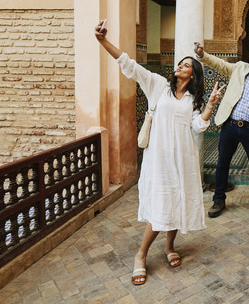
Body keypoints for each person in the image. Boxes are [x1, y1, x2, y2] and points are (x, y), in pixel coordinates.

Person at [94, 21, 225, 286]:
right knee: (161, 206)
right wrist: (102, 41)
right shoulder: (158, 86)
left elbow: (198, 127)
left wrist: (210, 105)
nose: (180, 66)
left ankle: (169, 246)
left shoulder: (193, 100)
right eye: (180, 63)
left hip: (184, 158)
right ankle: (140, 256)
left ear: (193, 74)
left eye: (186, 65)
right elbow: (129, 65)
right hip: (159, 158)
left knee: (176, 202)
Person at [193, 42, 249, 217]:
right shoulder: (240, 68)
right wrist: (202, 54)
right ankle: (218, 200)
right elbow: (220, 64)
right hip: (230, 125)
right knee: (222, 163)